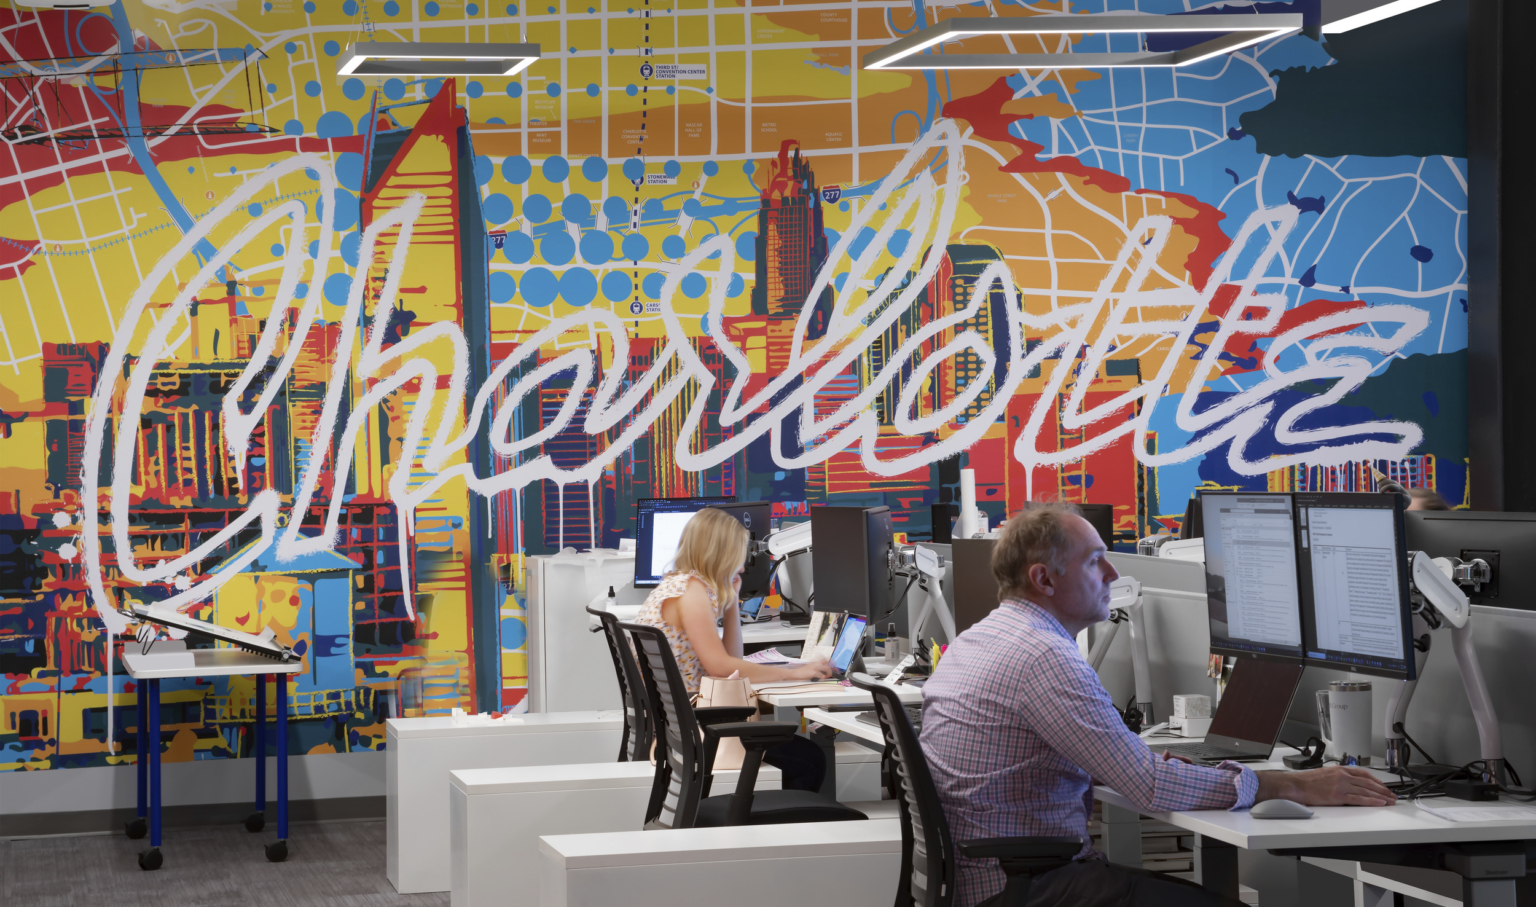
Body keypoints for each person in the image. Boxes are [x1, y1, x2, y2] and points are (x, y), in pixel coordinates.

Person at [920, 503, 1399, 907]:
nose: (1113, 573)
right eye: (1095, 562)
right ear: (1043, 578)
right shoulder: (1044, 656)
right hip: (1025, 888)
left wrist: (1135, 762)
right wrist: (1291, 785)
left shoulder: (981, 637)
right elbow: (1148, 786)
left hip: (983, 881)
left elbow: (1111, 764)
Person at [632, 506, 833, 790]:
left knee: (802, 754)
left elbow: (731, 660)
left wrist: (731, 605)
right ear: (722, 553)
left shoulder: (683, 584)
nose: (743, 564)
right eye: (740, 554)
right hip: (698, 723)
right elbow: (721, 668)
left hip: (682, 719)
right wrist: (794, 673)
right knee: (809, 759)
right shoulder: (691, 592)